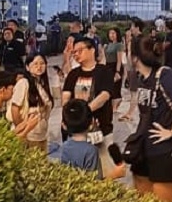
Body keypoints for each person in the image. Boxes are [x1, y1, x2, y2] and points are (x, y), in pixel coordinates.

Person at [127, 36, 172, 202]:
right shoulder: (141, 78)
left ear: (135, 57)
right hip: (143, 150)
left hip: (164, 151)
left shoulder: (163, 75)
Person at [61, 38, 118, 176]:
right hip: (76, 133)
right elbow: (65, 98)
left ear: (92, 50)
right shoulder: (73, 74)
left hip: (101, 130)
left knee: (104, 172)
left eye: (79, 50)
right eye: (74, 52)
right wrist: (70, 118)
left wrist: (83, 113)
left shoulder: (104, 71)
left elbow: (104, 96)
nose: (76, 54)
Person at [49, 99, 127, 180]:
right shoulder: (91, 151)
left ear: (64, 125)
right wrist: (115, 174)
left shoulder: (65, 146)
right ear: (92, 123)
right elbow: (93, 184)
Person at [10, 54, 54, 152]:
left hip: (41, 135)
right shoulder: (24, 83)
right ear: (27, 67)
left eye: (42, 63)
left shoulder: (42, 84)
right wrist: (21, 129)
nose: (39, 67)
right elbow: (15, 108)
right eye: (35, 64)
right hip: (28, 136)